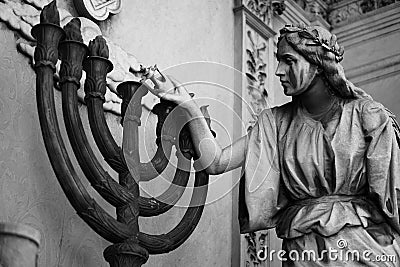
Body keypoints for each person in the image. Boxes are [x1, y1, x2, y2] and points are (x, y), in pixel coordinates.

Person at [142, 25, 400, 266]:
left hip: (364, 247)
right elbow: (216, 162)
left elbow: (393, 200)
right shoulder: (274, 122)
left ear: (319, 65)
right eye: (278, 60)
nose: (277, 70)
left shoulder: (368, 115)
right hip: (303, 248)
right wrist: (187, 104)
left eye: (289, 61)